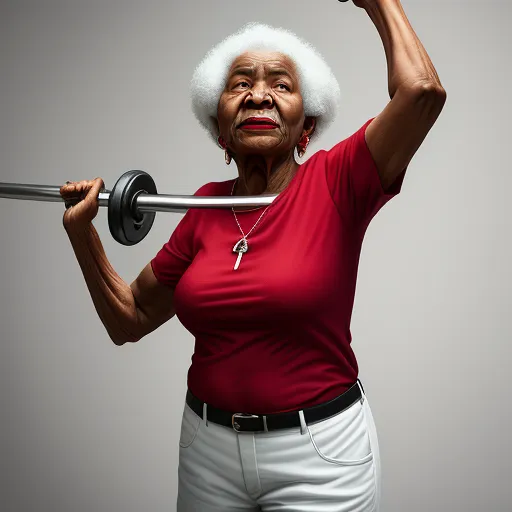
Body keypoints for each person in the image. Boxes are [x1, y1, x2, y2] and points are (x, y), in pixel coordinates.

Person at [60, 1, 446, 510]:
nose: (258, 94)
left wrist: (376, 1)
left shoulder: (339, 180)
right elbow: (129, 318)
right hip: (208, 449)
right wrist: (82, 232)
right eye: (240, 84)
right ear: (220, 129)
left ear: (306, 127)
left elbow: (421, 93)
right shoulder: (205, 205)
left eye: (281, 85)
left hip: (319, 456)